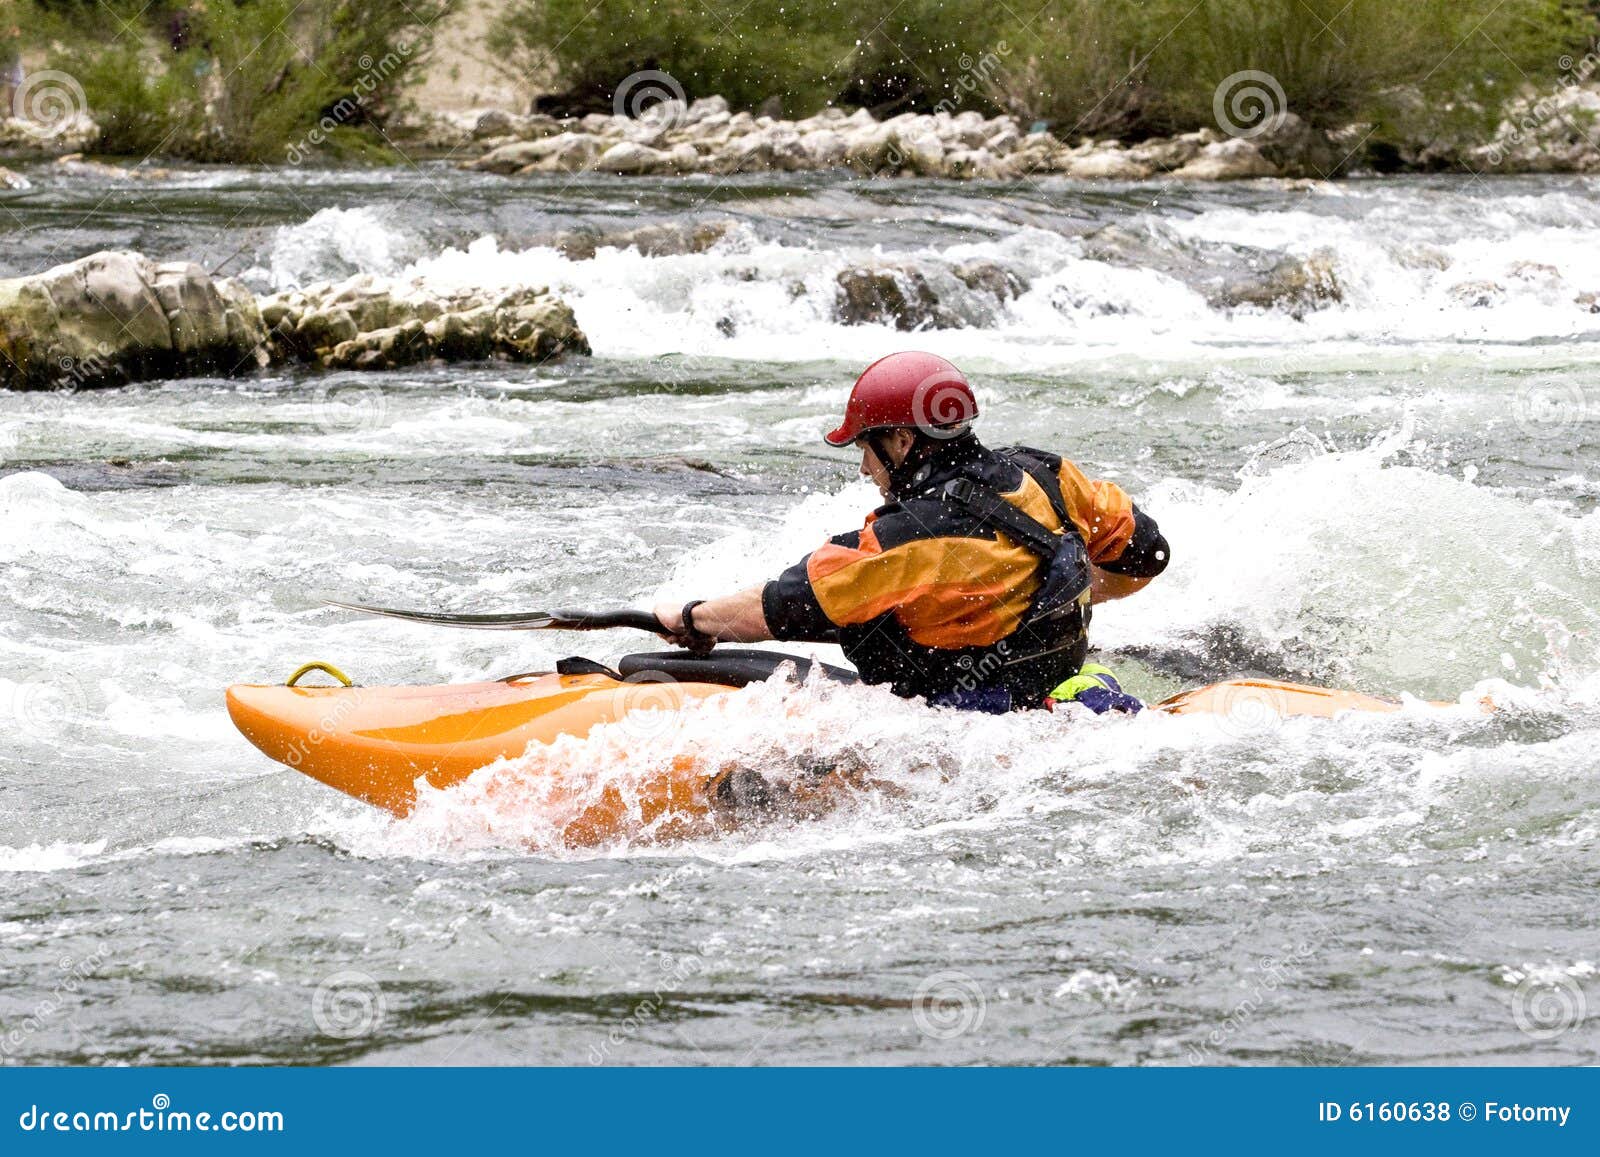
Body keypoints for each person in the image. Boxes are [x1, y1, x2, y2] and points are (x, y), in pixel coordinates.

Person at [653, 352, 1169, 713]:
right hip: (1059, 686)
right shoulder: (1048, 475)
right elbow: (1147, 553)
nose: (862, 469)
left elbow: (783, 606)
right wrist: (1047, 595)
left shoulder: (907, 539)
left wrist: (691, 618)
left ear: (901, 440)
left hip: (959, 720)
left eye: (865, 448)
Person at [1, 24, 23, 120]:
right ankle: (12, 114)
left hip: (9, 58)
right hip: (7, 60)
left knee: (14, 83)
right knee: (13, 84)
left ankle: (12, 114)